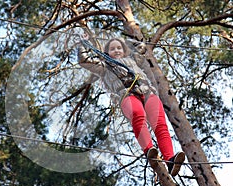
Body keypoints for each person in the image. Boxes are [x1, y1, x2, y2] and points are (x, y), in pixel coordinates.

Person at [78, 35, 185, 177]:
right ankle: (149, 151)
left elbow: (141, 47)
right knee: (137, 114)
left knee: (160, 125)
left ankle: (170, 160)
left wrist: (129, 41)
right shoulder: (104, 66)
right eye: (112, 49)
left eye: (119, 48)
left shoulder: (133, 59)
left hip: (147, 91)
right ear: (106, 52)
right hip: (126, 94)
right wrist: (83, 44)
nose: (116, 51)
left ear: (124, 50)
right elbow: (84, 61)